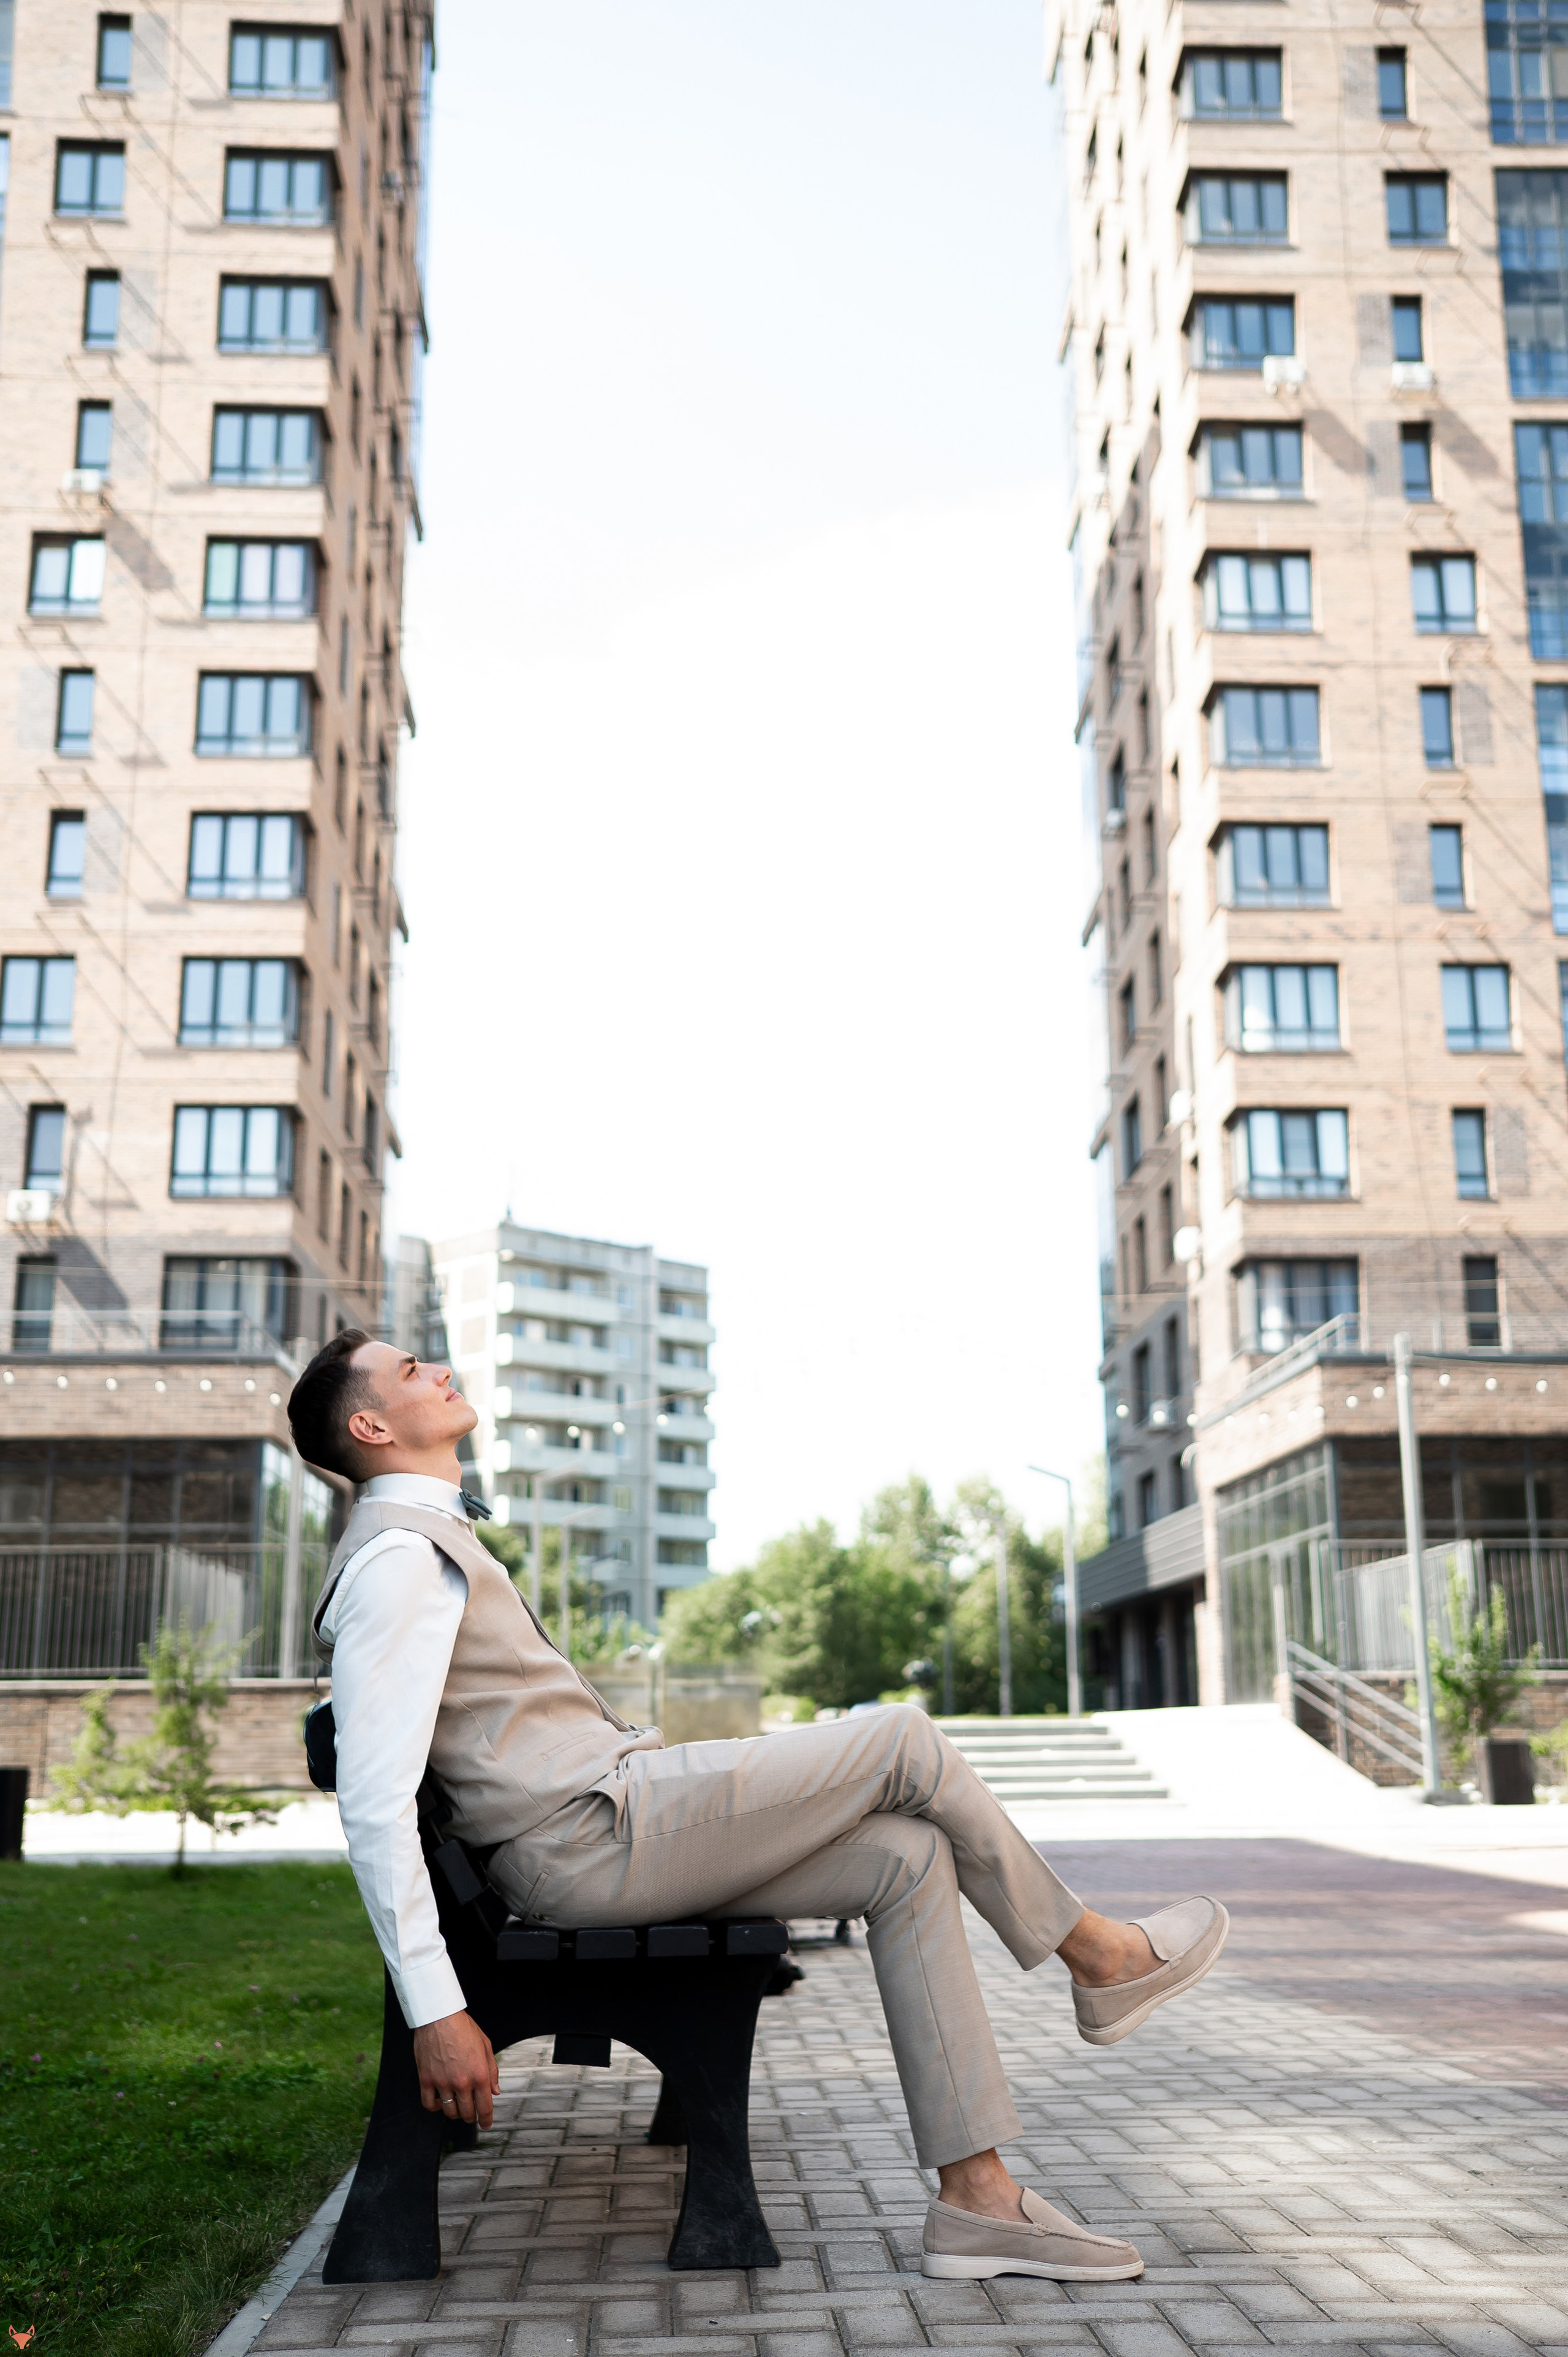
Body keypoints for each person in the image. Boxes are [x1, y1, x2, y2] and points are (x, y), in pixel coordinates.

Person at [289, 1330, 1229, 2285]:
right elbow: (375, 1804)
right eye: (412, 1371)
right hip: (585, 1844)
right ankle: (1101, 1955)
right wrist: (436, 2010)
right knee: (904, 1739)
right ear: (371, 1425)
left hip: (605, 1823)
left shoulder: (422, 1540)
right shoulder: (397, 1561)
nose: (441, 1371)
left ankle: (978, 2201)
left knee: (906, 1856)